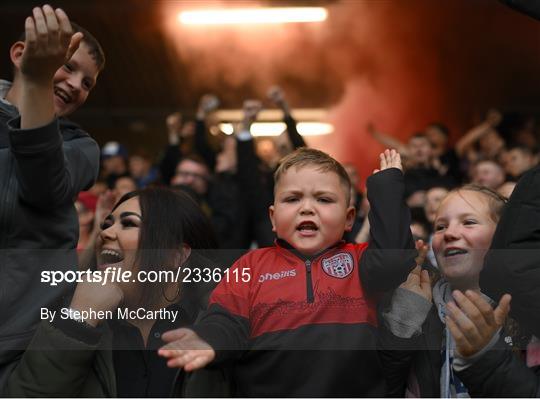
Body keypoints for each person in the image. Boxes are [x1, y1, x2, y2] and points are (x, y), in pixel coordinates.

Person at [159, 147, 416, 396]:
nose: (306, 208)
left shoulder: (360, 261)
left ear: (349, 218)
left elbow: (394, 262)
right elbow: (226, 320)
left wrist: (387, 189)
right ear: (273, 218)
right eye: (292, 199)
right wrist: (209, 338)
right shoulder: (251, 265)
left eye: (323, 199)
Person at [5, 187, 219, 397]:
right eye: (107, 224)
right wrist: (77, 322)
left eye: (128, 223)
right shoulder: (61, 315)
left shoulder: (223, 323)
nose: (105, 232)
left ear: (176, 256)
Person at [0, 5, 104, 386]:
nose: (77, 84)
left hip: (26, 348)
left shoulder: (80, 148)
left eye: (88, 83)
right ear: (19, 54)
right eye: (67, 65)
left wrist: (38, 80)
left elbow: (43, 186)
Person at [378, 184, 524, 397]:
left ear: (503, 237)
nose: (450, 233)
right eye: (440, 227)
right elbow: (385, 387)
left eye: (469, 222)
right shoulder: (420, 309)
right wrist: (402, 326)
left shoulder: (525, 312)